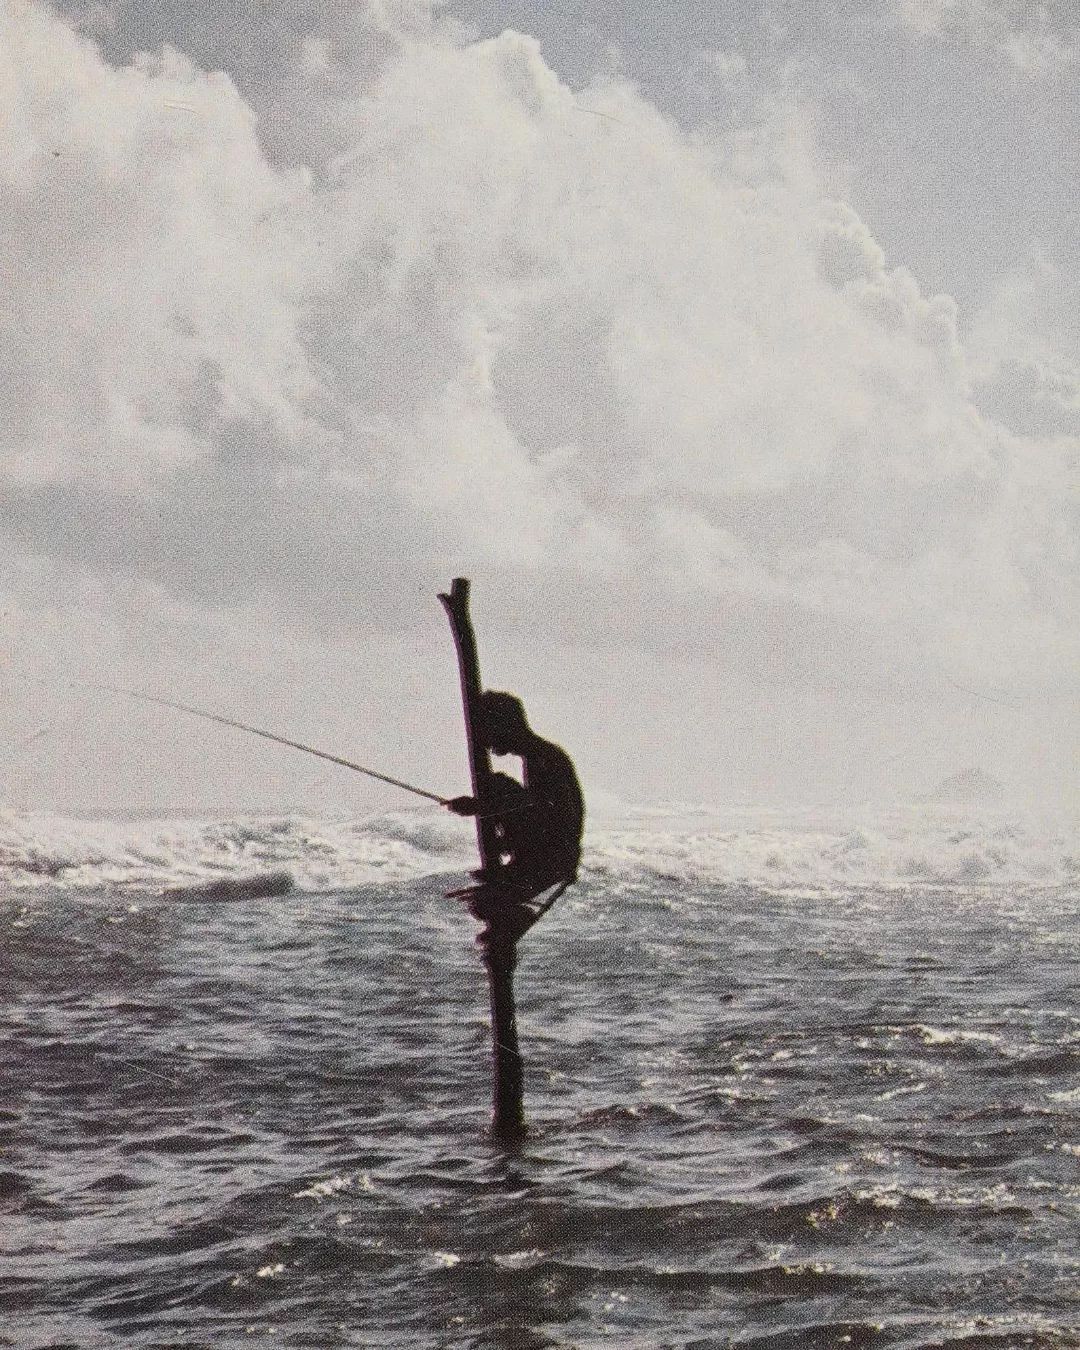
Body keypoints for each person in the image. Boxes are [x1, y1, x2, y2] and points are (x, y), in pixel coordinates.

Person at [446, 690, 584, 943]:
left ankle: (512, 918)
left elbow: (542, 813)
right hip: (549, 851)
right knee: (481, 902)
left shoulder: (545, 758)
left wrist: (479, 807)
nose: (485, 742)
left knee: (497, 784)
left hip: (553, 856)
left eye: (487, 730)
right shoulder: (540, 756)